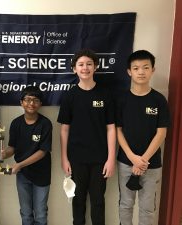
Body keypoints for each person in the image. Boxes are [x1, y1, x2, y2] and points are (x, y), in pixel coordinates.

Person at [57, 49, 116, 225]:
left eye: (89, 64)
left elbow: (111, 128)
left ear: (95, 67)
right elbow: (64, 130)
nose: (85, 68)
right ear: (74, 69)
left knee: (98, 201)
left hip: (100, 160)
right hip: (76, 159)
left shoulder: (105, 94)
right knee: (78, 201)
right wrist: (64, 159)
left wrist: (111, 158)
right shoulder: (70, 96)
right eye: (81, 64)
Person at [116, 50, 170, 225]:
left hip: (151, 164)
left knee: (147, 208)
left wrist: (143, 160)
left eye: (145, 67)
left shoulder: (159, 100)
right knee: (125, 205)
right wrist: (132, 158)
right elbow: (118, 130)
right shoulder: (122, 99)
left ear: (152, 70)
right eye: (136, 68)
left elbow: (161, 132)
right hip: (125, 161)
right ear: (129, 71)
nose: (141, 72)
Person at [0, 85, 52, 225]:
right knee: (26, 213)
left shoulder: (45, 124)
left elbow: (43, 151)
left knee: (40, 214)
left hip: (41, 175)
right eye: (27, 100)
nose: (31, 103)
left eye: (35, 100)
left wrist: (20, 164)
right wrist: (3, 154)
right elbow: (13, 148)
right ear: (21, 102)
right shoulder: (16, 123)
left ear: (40, 103)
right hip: (23, 175)